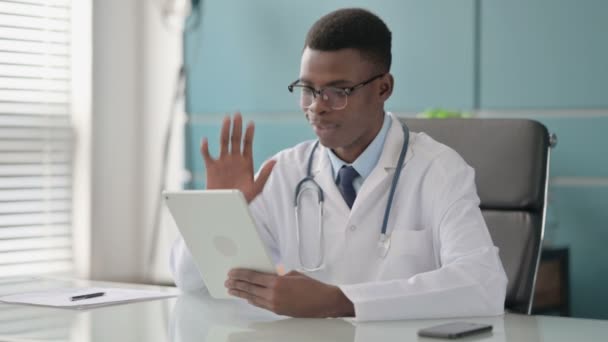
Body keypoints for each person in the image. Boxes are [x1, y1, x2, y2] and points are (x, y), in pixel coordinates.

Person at [171, 8, 507, 321]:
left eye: (338, 91)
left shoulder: (439, 170)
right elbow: (192, 284)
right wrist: (218, 213)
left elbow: (483, 285)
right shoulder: (284, 171)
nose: (316, 107)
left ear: (383, 88)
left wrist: (339, 300)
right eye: (308, 89)